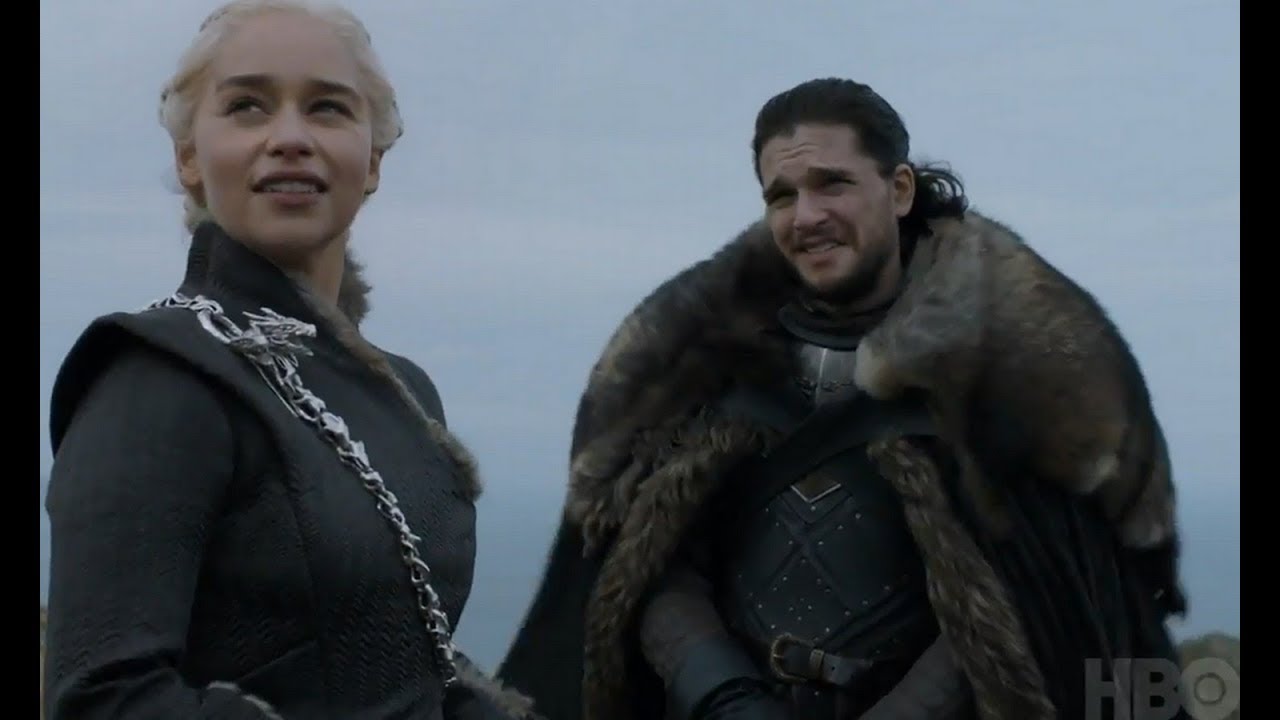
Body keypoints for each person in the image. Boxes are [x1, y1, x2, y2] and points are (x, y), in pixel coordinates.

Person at [495, 77, 1190, 720]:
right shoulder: (710, 363)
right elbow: (649, 561)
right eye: (782, 195)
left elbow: (1034, 593)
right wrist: (726, 696)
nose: (807, 216)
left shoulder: (1003, 372)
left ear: (900, 189)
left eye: (833, 184)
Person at [42, 2, 539, 718]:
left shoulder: (406, 394)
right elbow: (104, 700)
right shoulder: (155, 377)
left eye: (328, 108)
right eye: (247, 106)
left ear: (372, 160)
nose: (290, 138)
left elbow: (410, 662)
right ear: (189, 157)